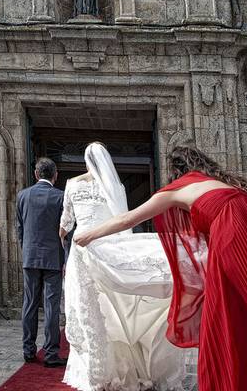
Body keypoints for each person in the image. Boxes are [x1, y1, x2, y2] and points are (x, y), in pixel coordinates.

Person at [75, 146, 247, 391]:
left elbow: (128, 218)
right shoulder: (225, 184)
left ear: (176, 171)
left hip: (232, 242)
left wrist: (89, 235)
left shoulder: (177, 190)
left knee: (222, 320)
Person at [60, 142, 197, 391]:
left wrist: (62, 235)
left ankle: (97, 369)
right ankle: (127, 364)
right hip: (108, 246)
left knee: (85, 306)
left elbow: (66, 221)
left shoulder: (72, 184)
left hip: (83, 248)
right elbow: (122, 217)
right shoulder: (115, 186)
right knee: (114, 306)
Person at [16, 157, 67, 368]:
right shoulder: (60, 197)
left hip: (30, 257)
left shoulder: (22, 196)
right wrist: (65, 258)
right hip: (53, 259)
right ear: (55, 176)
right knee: (51, 306)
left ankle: (28, 351)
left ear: (36, 174)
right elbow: (66, 230)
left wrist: (26, 250)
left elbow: (19, 228)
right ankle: (51, 353)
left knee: (29, 304)